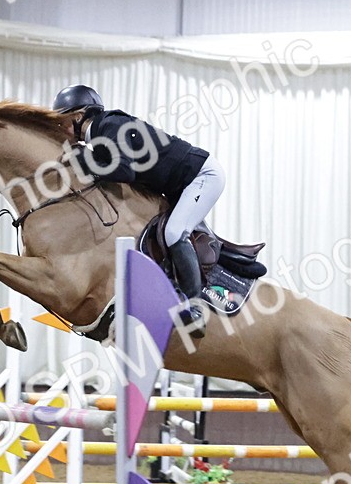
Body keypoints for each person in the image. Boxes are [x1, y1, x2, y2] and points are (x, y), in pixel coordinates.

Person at [53, 84, 224, 338]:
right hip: (180, 185)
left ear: (78, 116)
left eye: (62, 121)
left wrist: (80, 160)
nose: (61, 129)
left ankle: (195, 308)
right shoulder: (101, 134)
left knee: (175, 233)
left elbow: (123, 171)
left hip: (202, 176)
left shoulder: (110, 126)